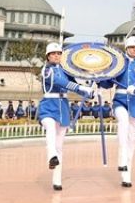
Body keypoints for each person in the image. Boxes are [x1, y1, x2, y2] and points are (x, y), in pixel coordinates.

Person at [38, 43, 94, 191]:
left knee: (60, 145)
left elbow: (74, 84)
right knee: (50, 128)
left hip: (63, 107)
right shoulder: (46, 70)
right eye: (53, 53)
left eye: (59, 53)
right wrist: (80, 88)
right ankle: (51, 156)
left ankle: (57, 180)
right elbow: (60, 82)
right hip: (49, 105)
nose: (57, 55)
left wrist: (88, 91)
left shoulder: (65, 71)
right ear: (48, 56)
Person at [100, 36, 135, 188]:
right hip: (120, 100)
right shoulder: (119, 65)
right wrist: (99, 78)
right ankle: (122, 160)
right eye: (132, 47)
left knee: (132, 139)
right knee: (123, 123)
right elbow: (108, 82)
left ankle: (126, 174)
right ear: (127, 49)